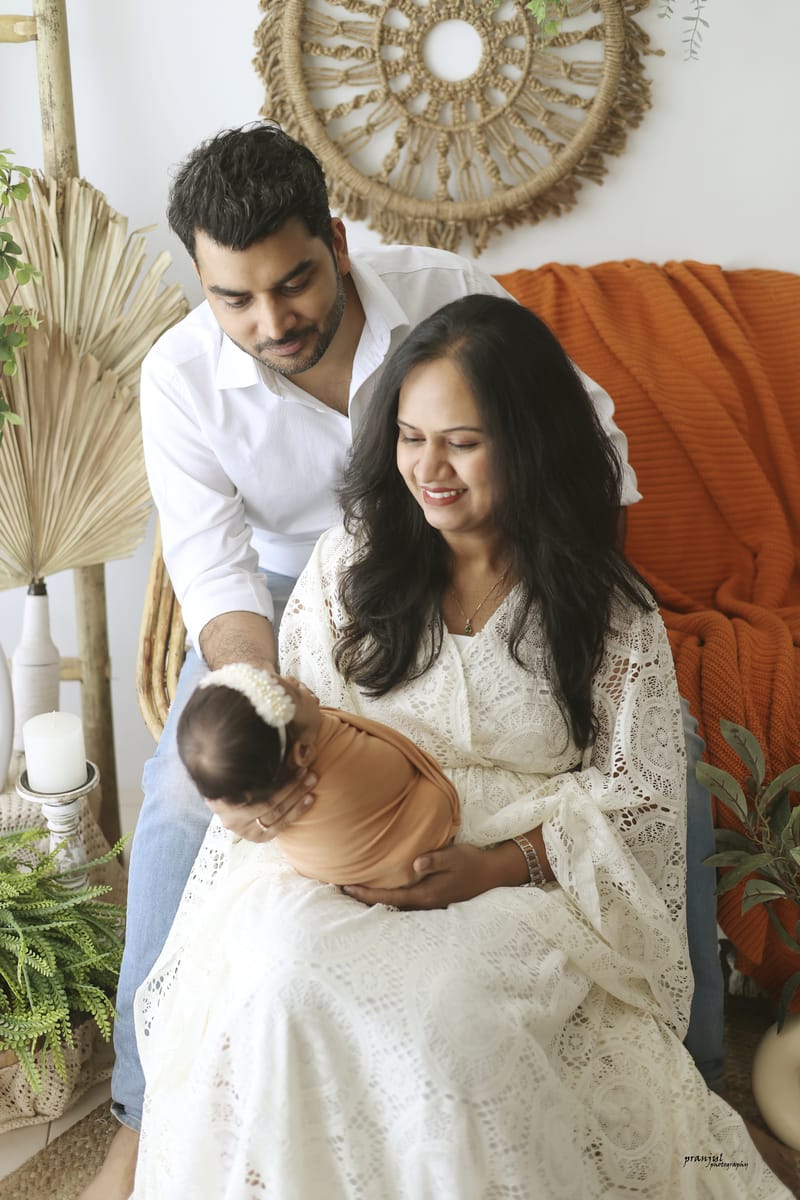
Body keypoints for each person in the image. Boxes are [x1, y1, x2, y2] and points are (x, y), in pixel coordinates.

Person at [82, 123, 722, 1198]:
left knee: (676, 774)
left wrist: (539, 591)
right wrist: (267, 699)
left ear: (335, 239)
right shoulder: (180, 377)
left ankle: (687, 1066)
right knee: (185, 805)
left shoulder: (447, 298)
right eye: (232, 298)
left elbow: (589, 446)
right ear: (201, 282)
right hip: (303, 587)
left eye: (292, 283)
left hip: (508, 548)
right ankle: (147, 1119)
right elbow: (216, 578)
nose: (270, 321)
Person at [177, 664, 459, 887]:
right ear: (303, 752)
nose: (293, 678)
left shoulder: (267, 780)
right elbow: (408, 760)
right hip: (415, 849)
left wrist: (300, 706)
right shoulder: (345, 757)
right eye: (297, 692)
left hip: (326, 869)